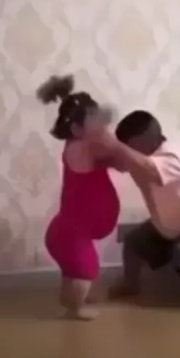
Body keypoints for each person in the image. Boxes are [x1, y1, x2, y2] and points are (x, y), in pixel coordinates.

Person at [93, 110, 180, 313]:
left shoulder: (172, 155)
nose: (128, 152)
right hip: (164, 224)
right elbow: (120, 163)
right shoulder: (137, 156)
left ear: (152, 140)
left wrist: (116, 146)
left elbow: (150, 169)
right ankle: (130, 284)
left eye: (131, 146)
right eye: (126, 146)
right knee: (132, 242)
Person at [37, 75, 120, 320]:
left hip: (70, 230)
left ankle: (70, 298)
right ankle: (75, 308)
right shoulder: (78, 149)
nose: (103, 130)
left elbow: (111, 158)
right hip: (71, 233)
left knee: (75, 270)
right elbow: (112, 146)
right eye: (95, 123)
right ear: (76, 129)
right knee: (85, 270)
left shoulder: (88, 147)